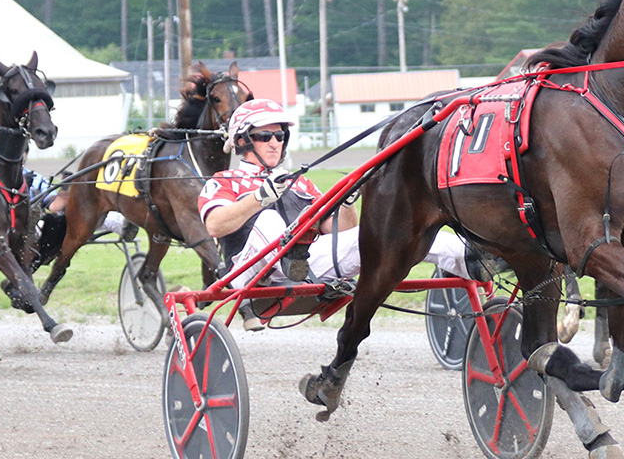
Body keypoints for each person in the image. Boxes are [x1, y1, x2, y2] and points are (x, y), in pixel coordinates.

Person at [197, 99, 494, 331]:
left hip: (309, 267)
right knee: (270, 220)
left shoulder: (300, 183)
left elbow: (345, 234)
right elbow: (215, 224)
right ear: (241, 142)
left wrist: (346, 203)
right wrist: (259, 198)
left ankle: (480, 262)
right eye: (265, 136)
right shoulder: (223, 181)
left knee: (399, 236)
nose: (275, 142)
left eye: (279, 134)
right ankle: (290, 257)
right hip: (251, 274)